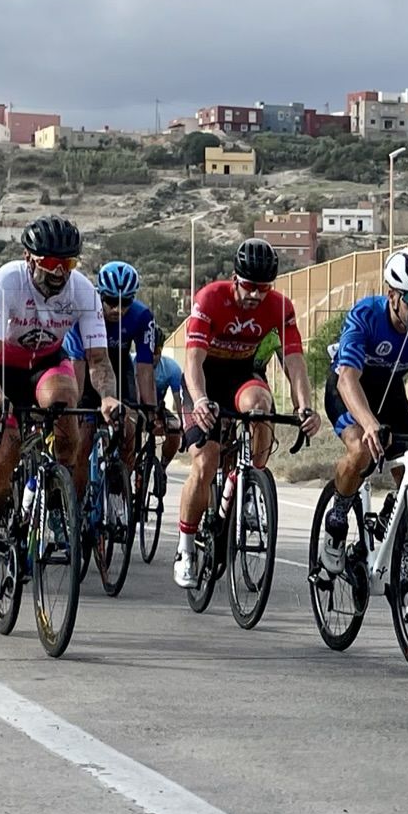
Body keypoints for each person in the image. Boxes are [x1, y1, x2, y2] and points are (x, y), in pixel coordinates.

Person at [0, 217, 126, 601]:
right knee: (2, 455)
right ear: (29, 258)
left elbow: (100, 361)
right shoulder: (6, 282)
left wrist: (107, 397)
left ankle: (55, 502)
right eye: (51, 264)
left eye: (67, 265)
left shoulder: (83, 292)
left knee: (67, 411)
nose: (59, 273)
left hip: (44, 363)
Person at [172, 238, 319, 589]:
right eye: (250, 287)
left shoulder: (279, 307)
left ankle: (249, 482)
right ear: (236, 279)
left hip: (241, 377)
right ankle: (186, 548)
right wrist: (201, 398)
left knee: (261, 406)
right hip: (204, 379)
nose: (256, 295)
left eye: (263, 288)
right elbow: (193, 359)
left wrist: (305, 406)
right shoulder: (210, 298)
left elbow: (294, 360)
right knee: (206, 462)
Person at [315, 247, 408, 574]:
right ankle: (337, 516)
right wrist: (368, 424)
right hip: (350, 389)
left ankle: (394, 523)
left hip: (390, 391)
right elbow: (347, 379)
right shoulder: (366, 315)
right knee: (362, 450)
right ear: (393, 296)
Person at [62, 260, 160, 525]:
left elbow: (144, 369)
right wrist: (77, 409)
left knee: (129, 428)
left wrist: (149, 410)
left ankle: (118, 491)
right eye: (110, 301)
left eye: (125, 302)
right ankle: (77, 504)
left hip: (119, 366)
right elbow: (77, 368)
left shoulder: (141, 317)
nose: (117, 309)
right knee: (81, 440)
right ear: (98, 295)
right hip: (83, 365)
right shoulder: (83, 313)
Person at [154, 353, 187, 465]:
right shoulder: (134, 362)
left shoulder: (171, 368)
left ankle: (162, 467)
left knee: (174, 429)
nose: (153, 357)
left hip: (158, 407)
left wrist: (183, 424)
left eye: (156, 352)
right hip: (138, 405)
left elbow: (178, 400)